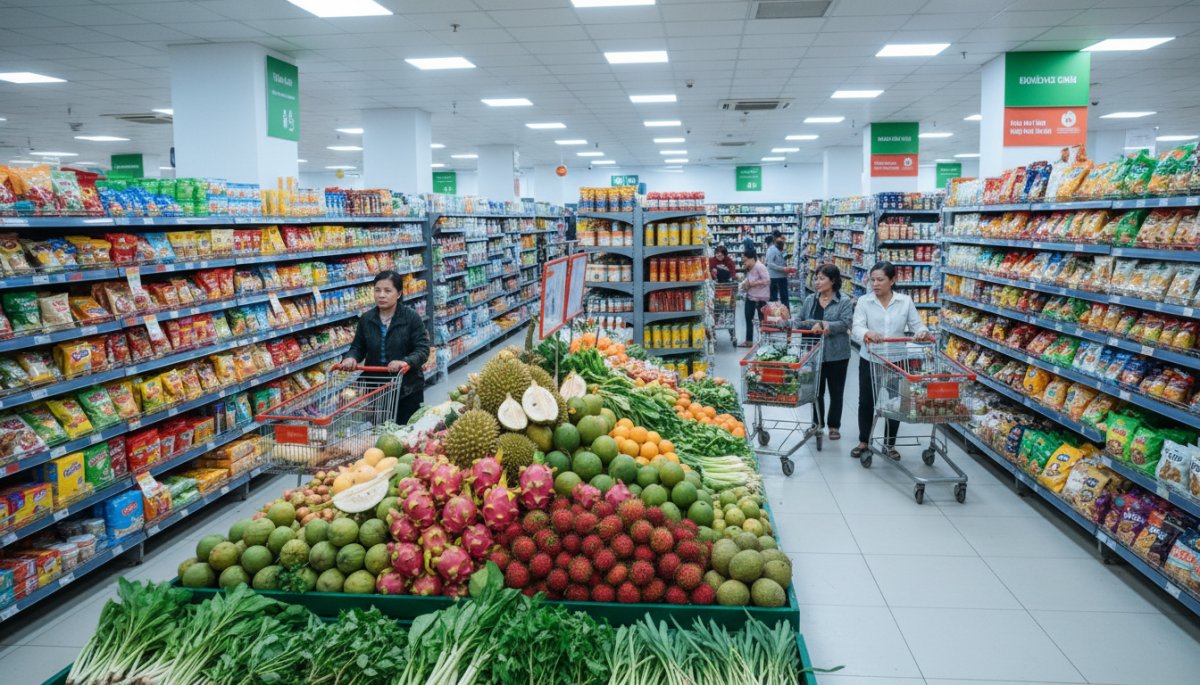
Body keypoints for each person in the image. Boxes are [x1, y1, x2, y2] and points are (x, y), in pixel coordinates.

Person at [851, 261, 934, 460]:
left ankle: (890, 444)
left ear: (893, 280)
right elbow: (856, 327)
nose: (875, 284)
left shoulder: (904, 301)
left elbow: (917, 325)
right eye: (872, 280)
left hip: (897, 361)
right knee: (866, 401)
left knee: (896, 402)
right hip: (871, 359)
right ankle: (864, 441)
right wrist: (867, 332)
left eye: (880, 280)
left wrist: (922, 333)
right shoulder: (864, 301)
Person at [339, 271, 431, 424]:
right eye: (377, 290)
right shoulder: (366, 319)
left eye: (387, 291)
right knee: (381, 431)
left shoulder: (411, 318)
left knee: (407, 430)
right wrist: (351, 357)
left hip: (407, 388)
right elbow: (358, 347)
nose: (381, 295)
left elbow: (423, 350)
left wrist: (405, 362)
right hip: (377, 388)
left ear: (398, 294)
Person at [796, 264, 853, 440]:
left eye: (821, 279)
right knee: (815, 391)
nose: (817, 282)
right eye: (816, 279)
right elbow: (800, 319)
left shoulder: (844, 301)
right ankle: (817, 424)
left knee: (836, 391)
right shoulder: (810, 300)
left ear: (833, 280)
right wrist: (786, 320)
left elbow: (845, 323)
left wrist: (824, 325)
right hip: (813, 353)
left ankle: (834, 426)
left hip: (837, 354)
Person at [740, 247, 770, 347]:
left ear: (752, 259)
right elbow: (749, 279)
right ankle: (748, 341)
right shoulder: (750, 268)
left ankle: (764, 341)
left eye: (746, 261)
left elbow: (767, 280)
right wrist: (744, 283)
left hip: (760, 298)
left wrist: (752, 284)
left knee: (762, 320)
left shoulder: (760, 267)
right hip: (751, 296)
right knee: (748, 318)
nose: (744, 263)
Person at [765, 230, 794, 304]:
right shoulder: (771, 249)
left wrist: (789, 267)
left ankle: (786, 311)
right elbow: (770, 264)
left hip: (783, 276)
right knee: (773, 299)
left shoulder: (782, 248)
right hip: (774, 277)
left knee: (785, 298)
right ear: (774, 238)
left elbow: (784, 259)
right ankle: (774, 311)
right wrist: (783, 269)